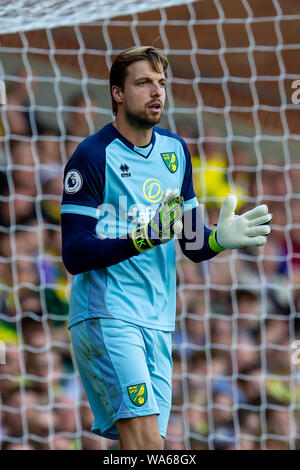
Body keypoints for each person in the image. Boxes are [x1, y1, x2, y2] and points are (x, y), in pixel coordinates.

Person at [60, 46, 272, 450]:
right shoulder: (91, 155)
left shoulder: (176, 151)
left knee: (146, 447)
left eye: (161, 83)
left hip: (158, 320)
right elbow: (74, 253)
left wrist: (218, 239)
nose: (156, 92)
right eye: (143, 83)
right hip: (108, 313)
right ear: (118, 93)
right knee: (145, 447)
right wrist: (143, 237)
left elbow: (191, 242)